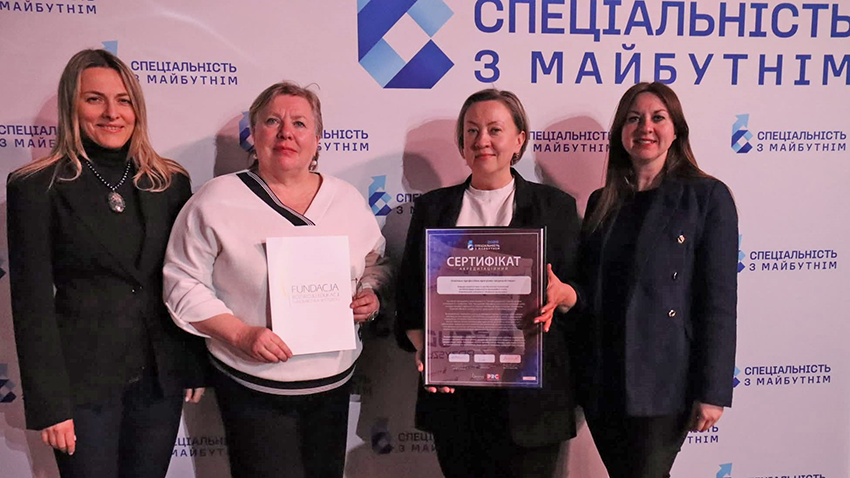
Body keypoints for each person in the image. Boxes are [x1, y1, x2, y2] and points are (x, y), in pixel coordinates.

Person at [162, 81, 389, 478]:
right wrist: (240, 334)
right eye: (272, 121)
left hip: (332, 387)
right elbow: (182, 283)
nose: (286, 133)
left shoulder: (348, 200)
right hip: (253, 388)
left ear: (317, 139)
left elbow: (376, 263)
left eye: (300, 123)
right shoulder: (216, 200)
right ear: (254, 133)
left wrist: (370, 293)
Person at [7, 48, 207, 478]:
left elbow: (187, 279)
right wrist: (50, 404)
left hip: (159, 381)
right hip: (81, 387)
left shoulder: (169, 182)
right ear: (72, 106)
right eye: (94, 99)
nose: (112, 113)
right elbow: (31, 304)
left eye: (124, 100)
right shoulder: (36, 187)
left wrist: (191, 363)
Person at [548, 82, 738, 478]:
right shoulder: (603, 201)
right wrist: (566, 295)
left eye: (657, 117)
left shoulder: (707, 197)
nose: (645, 127)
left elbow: (718, 302)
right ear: (621, 132)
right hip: (603, 378)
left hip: (665, 381)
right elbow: (592, 294)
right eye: (633, 119)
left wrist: (712, 391)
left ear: (676, 129)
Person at [395, 88, 581, 478]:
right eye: (472, 130)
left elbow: (583, 296)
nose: (482, 140)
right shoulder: (433, 208)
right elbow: (410, 300)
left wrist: (564, 295)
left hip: (531, 407)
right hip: (455, 402)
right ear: (461, 144)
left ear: (519, 140)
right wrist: (427, 351)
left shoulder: (555, 207)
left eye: (495, 129)